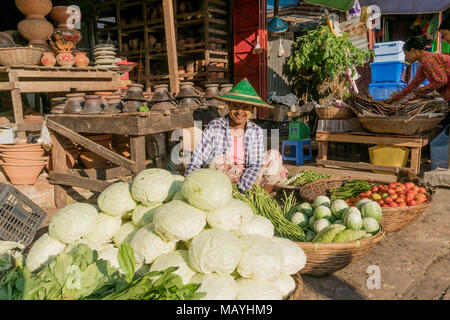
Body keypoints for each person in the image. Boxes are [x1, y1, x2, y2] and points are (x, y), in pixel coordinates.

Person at [185, 78, 288, 193]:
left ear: (252, 109)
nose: (240, 111)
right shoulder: (215, 126)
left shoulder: (255, 131)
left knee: (274, 156)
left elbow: (253, 164)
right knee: (218, 159)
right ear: (229, 106)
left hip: (247, 176)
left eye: (245, 107)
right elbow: (199, 156)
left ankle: (261, 197)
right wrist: (188, 180)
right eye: (235, 106)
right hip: (220, 176)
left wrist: (242, 188)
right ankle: (234, 193)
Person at [383, 36, 450, 104]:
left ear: (412, 51)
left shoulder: (428, 59)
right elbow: (413, 84)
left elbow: (441, 81)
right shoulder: (424, 63)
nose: (406, 58)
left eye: (406, 54)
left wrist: (421, 90)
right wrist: (395, 98)